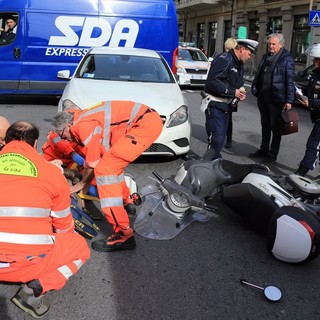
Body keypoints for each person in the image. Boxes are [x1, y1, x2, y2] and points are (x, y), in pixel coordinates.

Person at [0, 121, 90, 318]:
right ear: (34, 144)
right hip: (24, 266)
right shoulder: (51, 173)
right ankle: (34, 290)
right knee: (80, 250)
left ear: (5, 142)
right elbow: (64, 226)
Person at [51, 100, 163, 252]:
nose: (67, 140)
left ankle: (123, 234)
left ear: (67, 127)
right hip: (146, 122)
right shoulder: (81, 118)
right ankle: (126, 201)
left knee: (105, 172)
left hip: (144, 125)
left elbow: (93, 163)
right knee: (111, 165)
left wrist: (81, 184)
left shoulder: (82, 126)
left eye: (63, 135)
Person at [202, 39, 258, 160]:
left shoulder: (238, 63)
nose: (249, 57)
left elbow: (236, 83)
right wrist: (233, 92)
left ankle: (213, 164)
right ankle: (208, 167)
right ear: (242, 49)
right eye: (249, 53)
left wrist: (239, 93)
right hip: (216, 104)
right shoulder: (225, 59)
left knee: (220, 139)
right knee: (216, 139)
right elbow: (212, 81)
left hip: (226, 106)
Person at [250, 33, 295, 163]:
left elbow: (289, 81)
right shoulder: (265, 57)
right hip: (263, 97)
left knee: (276, 127)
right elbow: (259, 75)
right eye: (269, 44)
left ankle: (272, 154)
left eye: (273, 44)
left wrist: (289, 100)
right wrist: (255, 88)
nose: (270, 46)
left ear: (281, 45)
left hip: (277, 99)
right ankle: (263, 149)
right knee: (265, 125)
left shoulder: (287, 59)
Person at [295, 44, 320, 176]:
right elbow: (309, 90)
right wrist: (299, 93)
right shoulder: (316, 74)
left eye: (316, 59)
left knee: (313, 143)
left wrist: (311, 102)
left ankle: (301, 172)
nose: (313, 61)